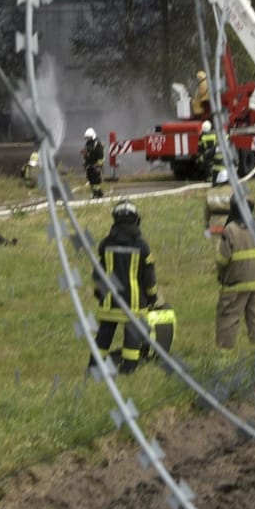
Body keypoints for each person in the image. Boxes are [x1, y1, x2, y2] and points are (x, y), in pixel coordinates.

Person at [90, 201, 160, 372]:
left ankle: (93, 366)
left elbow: (97, 274)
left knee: (104, 335)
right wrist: (152, 297)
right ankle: (128, 369)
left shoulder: (105, 244)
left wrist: (99, 294)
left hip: (109, 302)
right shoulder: (142, 246)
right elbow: (148, 277)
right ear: (136, 220)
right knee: (132, 337)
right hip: (134, 304)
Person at [212, 199, 255, 348]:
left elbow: (223, 259)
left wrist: (221, 275)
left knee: (228, 318)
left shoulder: (230, 230)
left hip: (235, 284)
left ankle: (224, 353)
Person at [81, 128, 106, 198]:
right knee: (90, 179)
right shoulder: (88, 144)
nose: (87, 139)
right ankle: (96, 193)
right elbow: (87, 154)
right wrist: (85, 164)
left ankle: (97, 194)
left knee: (96, 181)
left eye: (88, 137)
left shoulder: (97, 144)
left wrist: (99, 166)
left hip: (96, 166)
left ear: (92, 136)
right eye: (86, 138)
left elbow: (101, 156)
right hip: (89, 165)